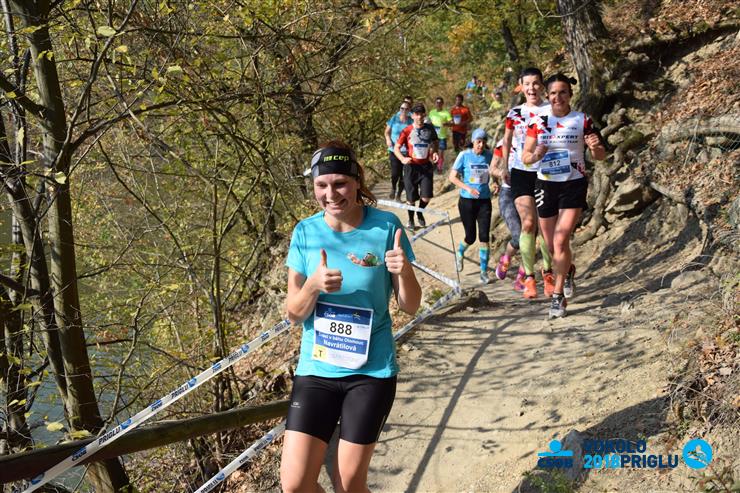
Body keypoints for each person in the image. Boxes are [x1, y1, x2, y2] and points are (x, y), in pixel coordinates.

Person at [281, 141, 422, 493]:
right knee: (294, 485)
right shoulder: (305, 232)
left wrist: (404, 271)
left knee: (348, 484)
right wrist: (313, 285)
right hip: (317, 370)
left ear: (357, 181)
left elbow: (410, 306)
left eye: (340, 183)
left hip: (370, 373)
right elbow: (294, 313)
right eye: (321, 185)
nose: (331, 194)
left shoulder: (385, 227)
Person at [522, 73, 606, 318]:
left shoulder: (582, 120)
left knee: (560, 240)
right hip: (545, 185)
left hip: (573, 184)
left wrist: (595, 147)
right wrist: (536, 155)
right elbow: (525, 158)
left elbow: (601, 156)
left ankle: (558, 297)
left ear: (570, 94)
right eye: (553, 93)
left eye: (563, 92)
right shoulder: (538, 121)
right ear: (547, 95)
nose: (558, 97)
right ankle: (567, 270)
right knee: (550, 246)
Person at [499, 67, 554, 300]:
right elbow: (506, 140)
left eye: (536, 83)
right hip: (521, 171)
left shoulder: (552, 109)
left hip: (547, 172)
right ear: (521, 87)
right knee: (528, 223)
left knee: (545, 226)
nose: (532, 88)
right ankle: (529, 278)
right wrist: (504, 166)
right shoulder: (515, 113)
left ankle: (548, 273)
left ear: (542, 85)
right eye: (527, 84)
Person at [449, 128, 494, 284]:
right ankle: (460, 252)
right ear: (473, 141)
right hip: (467, 201)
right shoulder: (464, 155)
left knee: (484, 237)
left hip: (484, 201)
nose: (481, 145)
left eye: (483, 142)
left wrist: (496, 183)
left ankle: (483, 272)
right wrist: (468, 188)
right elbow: (452, 177)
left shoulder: (489, 156)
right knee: (471, 237)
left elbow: (493, 171)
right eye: (478, 142)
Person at [394, 103, 439, 230]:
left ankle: (419, 212)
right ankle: (411, 219)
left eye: (421, 114)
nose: (419, 117)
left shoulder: (429, 129)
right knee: (411, 198)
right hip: (411, 167)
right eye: (416, 114)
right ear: (412, 116)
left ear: (424, 115)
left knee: (426, 197)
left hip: (425, 167)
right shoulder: (407, 130)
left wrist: (435, 152)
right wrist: (402, 159)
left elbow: (435, 141)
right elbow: (396, 148)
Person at [489, 139, 526, 291]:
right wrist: (501, 173)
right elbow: (492, 168)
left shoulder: (537, 136)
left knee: (529, 236)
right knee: (518, 235)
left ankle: (522, 277)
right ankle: (506, 259)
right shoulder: (504, 142)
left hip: (529, 191)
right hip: (508, 193)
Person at [384, 101, 413, 200]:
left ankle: (399, 195)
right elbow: (387, 132)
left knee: (405, 175)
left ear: (409, 110)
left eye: (406, 109)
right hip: (394, 150)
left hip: (407, 152)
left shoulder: (411, 121)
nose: (404, 110)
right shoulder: (394, 118)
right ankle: (393, 188)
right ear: (399, 109)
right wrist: (388, 140)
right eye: (402, 108)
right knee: (395, 173)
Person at [428, 97, 453, 173]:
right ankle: (433, 166)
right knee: (432, 152)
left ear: (442, 103)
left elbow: (452, 123)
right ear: (435, 103)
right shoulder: (431, 112)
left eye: (440, 102)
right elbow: (428, 121)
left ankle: (439, 168)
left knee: (441, 153)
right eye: (437, 102)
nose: (438, 104)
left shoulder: (446, 113)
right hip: (432, 136)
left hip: (442, 136)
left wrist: (446, 123)